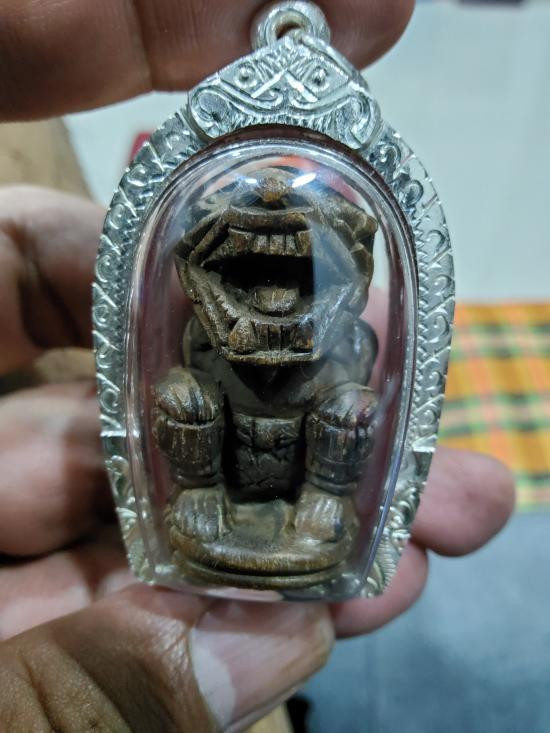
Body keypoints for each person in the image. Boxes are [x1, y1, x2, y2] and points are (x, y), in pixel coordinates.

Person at [0, 1, 515, 730]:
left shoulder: (347, 343)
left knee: (350, 410)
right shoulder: (203, 337)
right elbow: (188, 386)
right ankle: (204, 503)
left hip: (310, 486)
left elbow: (355, 400)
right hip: (219, 479)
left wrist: (332, 478)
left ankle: (320, 510)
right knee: (182, 398)